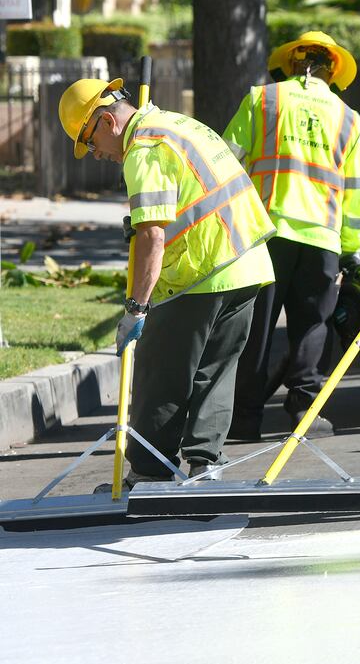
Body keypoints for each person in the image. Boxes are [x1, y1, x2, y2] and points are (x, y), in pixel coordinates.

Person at [57, 77, 276, 487]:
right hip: (248, 264)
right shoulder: (179, 124)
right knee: (215, 373)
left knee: (161, 374)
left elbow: (153, 235)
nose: (94, 155)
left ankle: (150, 470)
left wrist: (136, 307)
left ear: (106, 121)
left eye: (89, 142)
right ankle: (205, 465)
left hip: (201, 270)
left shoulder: (143, 150)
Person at [224, 31, 360, 441]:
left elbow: (226, 161)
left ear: (290, 64)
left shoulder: (263, 100)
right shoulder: (348, 118)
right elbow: (355, 192)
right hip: (322, 238)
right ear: (333, 70)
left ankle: (244, 420)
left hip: (266, 233)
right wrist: (350, 252)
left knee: (258, 329)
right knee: (314, 325)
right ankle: (306, 413)